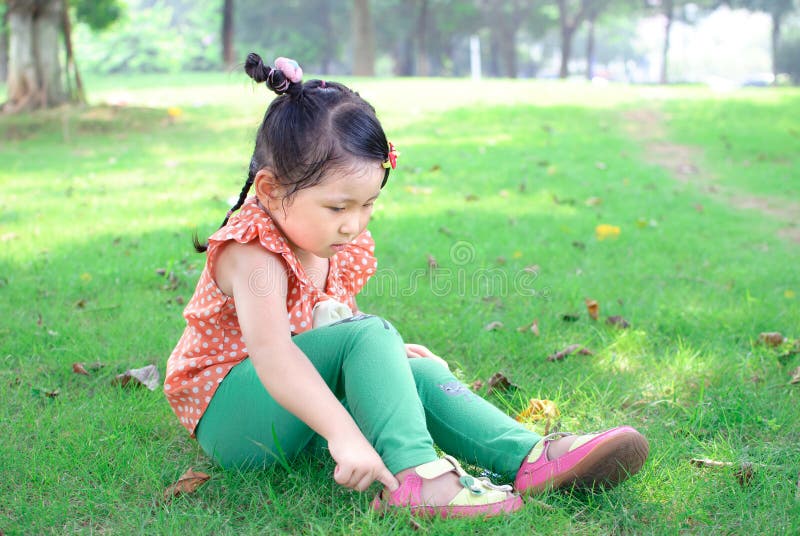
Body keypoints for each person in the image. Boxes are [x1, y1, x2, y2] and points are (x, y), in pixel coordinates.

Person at [163, 53, 649, 518]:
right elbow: (274, 355)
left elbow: (331, 328)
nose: (354, 224)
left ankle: (529, 456)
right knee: (370, 333)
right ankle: (418, 476)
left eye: (368, 204)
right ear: (270, 190)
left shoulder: (323, 239)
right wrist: (343, 434)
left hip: (293, 407)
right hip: (233, 420)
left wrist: (389, 364)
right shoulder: (253, 250)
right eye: (338, 207)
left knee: (397, 355)